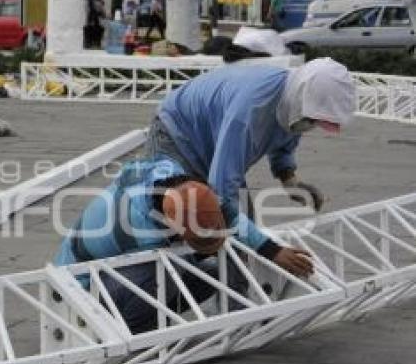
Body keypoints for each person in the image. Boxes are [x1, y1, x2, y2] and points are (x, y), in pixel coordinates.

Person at [147, 58, 356, 275]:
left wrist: (291, 181)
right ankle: (161, 297)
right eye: (312, 120)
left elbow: (286, 136)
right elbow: (221, 192)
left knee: (241, 232)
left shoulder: (290, 100)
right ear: (301, 99)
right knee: (187, 225)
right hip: (176, 136)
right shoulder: (249, 111)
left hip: (212, 141)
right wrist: (270, 249)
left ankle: (233, 296)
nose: (311, 126)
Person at [53, 158, 250, 333]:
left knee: (211, 275)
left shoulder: (168, 173)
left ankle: (149, 319)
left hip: (106, 271)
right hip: (79, 290)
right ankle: (131, 332)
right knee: (168, 270)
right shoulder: (140, 230)